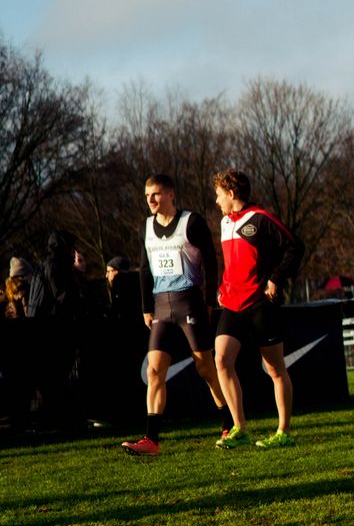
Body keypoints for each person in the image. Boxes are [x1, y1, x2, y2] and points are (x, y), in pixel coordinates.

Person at [122, 172, 227, 456]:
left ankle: (228, 422)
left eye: (155, 194)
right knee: (154, 370)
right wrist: (146, 306)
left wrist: (208, 300)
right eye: (147, 196)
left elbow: (210, 261)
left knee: (205, 368)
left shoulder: (190, 222)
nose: (151, 200)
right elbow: (144, 268)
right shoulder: (147, 226)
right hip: (161, 306)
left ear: (170, 194)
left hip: (189, 302)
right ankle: (151, 439)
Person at [211, 169, 303, 450]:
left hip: (261, 303)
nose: (216, 201)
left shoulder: (261, 218)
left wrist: (275, 278)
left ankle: (283, 431)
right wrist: (222, 287)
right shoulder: (225, 222)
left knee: (275, 369)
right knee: (221, 359)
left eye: (218, 195)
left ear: (231, 194)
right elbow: (232, 264)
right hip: (233, 305)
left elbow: (295, 247)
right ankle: (239, 428)